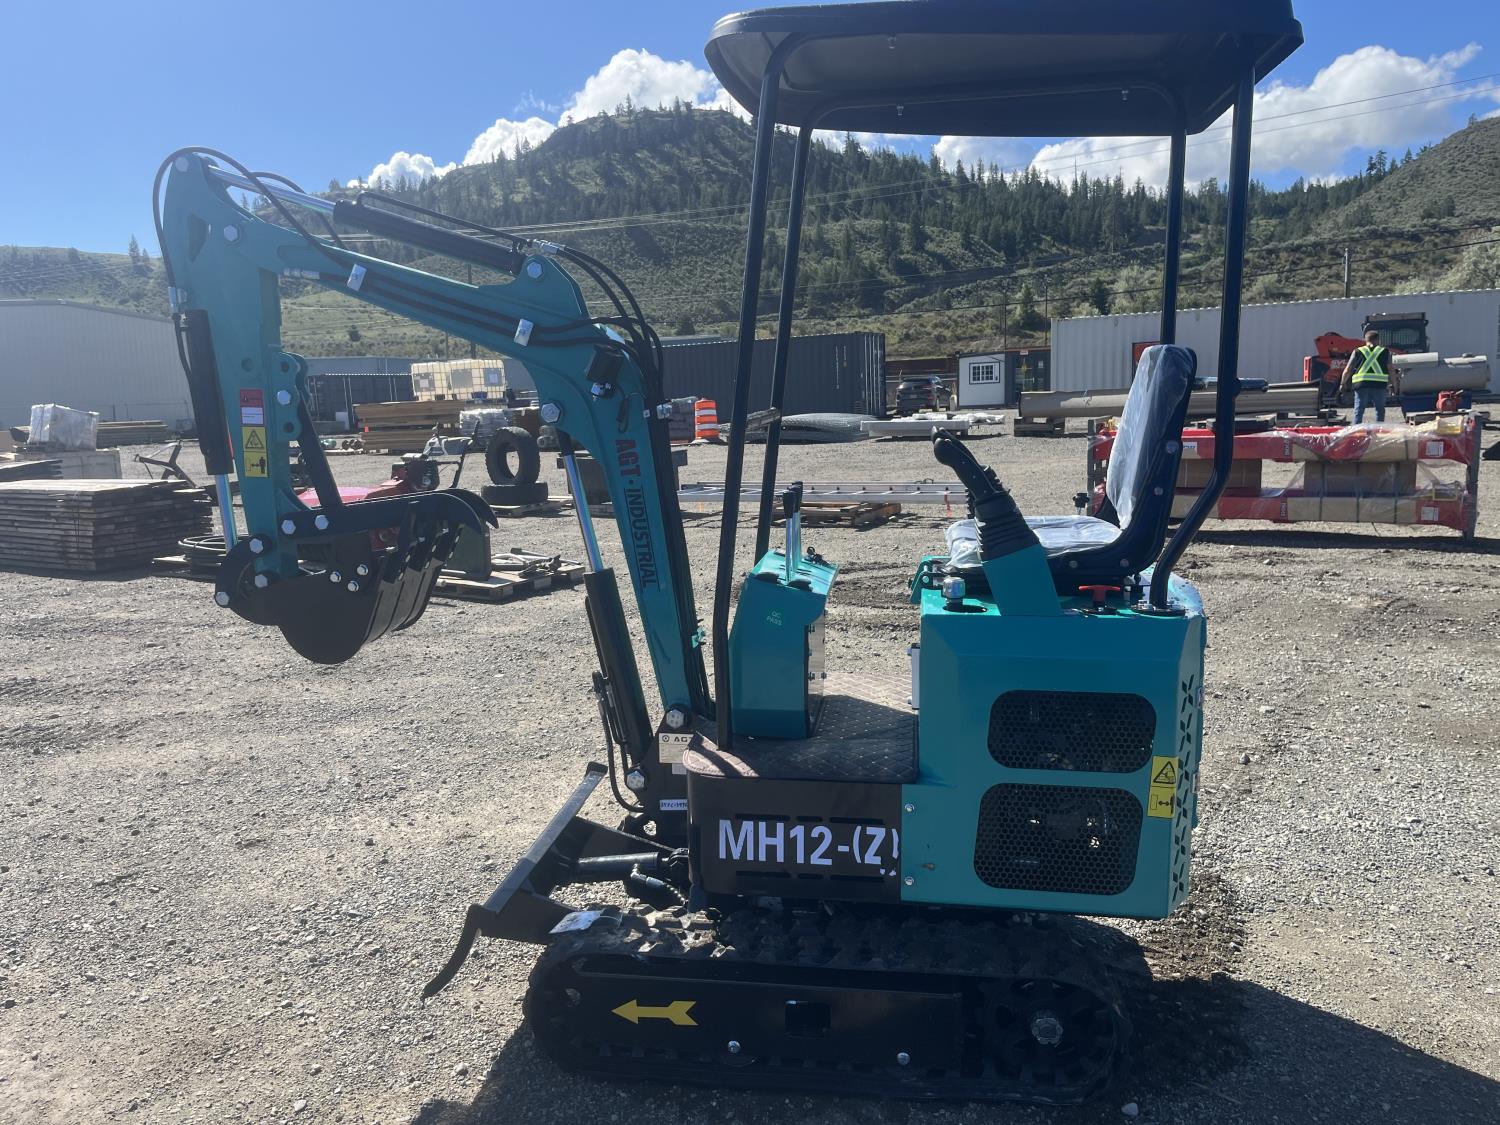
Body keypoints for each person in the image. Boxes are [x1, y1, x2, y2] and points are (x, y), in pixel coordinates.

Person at [1340, 328, 1400, 424]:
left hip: (1361, 385)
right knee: (1380, 411)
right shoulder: (1385, 351)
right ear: (1378, 340)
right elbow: (1391, 369)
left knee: (1358, 411)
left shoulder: (1357, 351)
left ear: (1365, 340)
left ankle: (1356, 431)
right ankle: (1378, 430)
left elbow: (1348, 369)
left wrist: (1342, 383)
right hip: (1379, 385)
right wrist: (1395, 384)